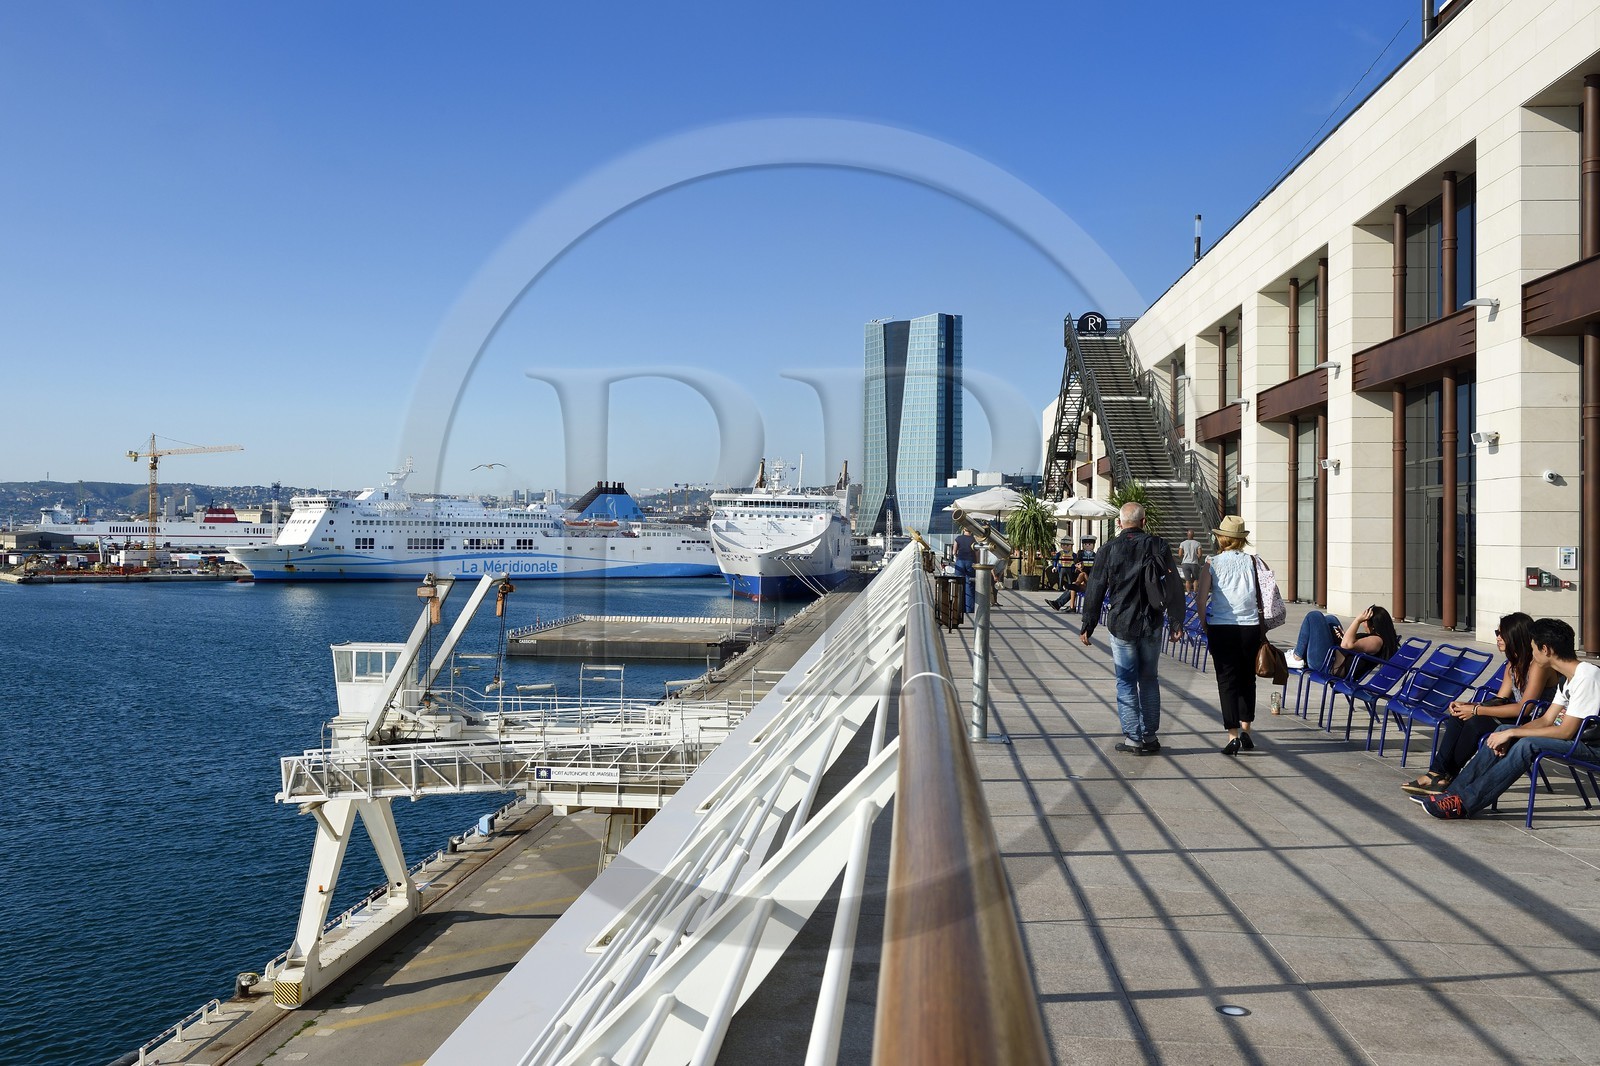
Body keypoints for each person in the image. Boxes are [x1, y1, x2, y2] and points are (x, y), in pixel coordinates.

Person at [1419, 618, 1600, 819]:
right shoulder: (1567, 679)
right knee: (1501, 732)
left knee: (1527, 744)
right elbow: (1546, 720)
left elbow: (1566, 731)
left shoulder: (1587, 676)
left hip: (1590, 747)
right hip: (1572, 740)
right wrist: (1509, 734)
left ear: (1545, 649)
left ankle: (1464, 803)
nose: (1532, 653)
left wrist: (1515, 732)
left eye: (1533, 648)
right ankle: (1452, 794)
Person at [1402, 612, 1556, 795]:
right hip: (1516, 715)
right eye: (1497, 632)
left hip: (1535, 721)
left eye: (1501, 633)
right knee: (1458, 716)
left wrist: (1476, 710)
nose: (1498, 637)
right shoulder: (1512, 665)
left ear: (1516, 635)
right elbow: (1500, 699)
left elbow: (1526, 708)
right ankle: (1436, 773)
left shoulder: (1537, 665)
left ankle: (1446, 776)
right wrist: (1468, 705)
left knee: (1475, 723)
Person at [1078, 503, 1184, 755]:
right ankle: (1149, 735)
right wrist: (1177, 621)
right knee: (1149, 679)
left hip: (1121, 622)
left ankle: (1133, 739)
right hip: (1152, 621)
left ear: (1118, 523)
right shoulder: (1159, 546)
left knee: (1125, 681)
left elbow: (1095, 588)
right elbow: (1174, 584)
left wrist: (1088, 624)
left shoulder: (1108, 549)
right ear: (1144, 522)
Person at [1194, 515, 1265, 755]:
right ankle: (1246, 730)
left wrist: (1204, 623)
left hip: (1221, 627)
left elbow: (1201, 598)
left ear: (1222, 538)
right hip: (1250, 627)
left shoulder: (1211, 563)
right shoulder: (1254, 562)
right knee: (1248, 678)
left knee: (1227, 681)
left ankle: (1232, 734)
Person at [1285, 605, 1400, 678]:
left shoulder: (1377, 641)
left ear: (1373, 625)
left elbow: (1346, 645)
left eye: (1365, 621)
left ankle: (1297, 657)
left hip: (1329, 667)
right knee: (1331, 620)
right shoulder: (1374, 637)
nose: (1364, 623)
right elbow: (1348, 645)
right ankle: (1299, 655)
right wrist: (1343, 636)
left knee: (1314, 616)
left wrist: (1357, 620)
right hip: (1332, 659)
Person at [952, 529, 976, 613]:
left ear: (963, 530)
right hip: (971, 562)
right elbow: (977, 553)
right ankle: (969, 609)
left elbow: (954, 552)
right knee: (970, 584)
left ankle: (959, 608)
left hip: (960, 562)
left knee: (958, 584)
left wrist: (957, 556)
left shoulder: (958, 538)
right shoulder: (974, 539)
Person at [1177, 529, 1203, 594]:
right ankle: (1195, 592)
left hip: (1185, 563)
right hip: (1194, 563)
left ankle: (1188, 593)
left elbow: (1180, 554)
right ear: (1193, 535)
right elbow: (1200, 555)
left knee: (1187, 580)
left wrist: (1184, 557)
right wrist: (1196, 558)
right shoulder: (1197, 543)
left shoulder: (1182, 543)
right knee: (1195, 579)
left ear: (1187, 535)